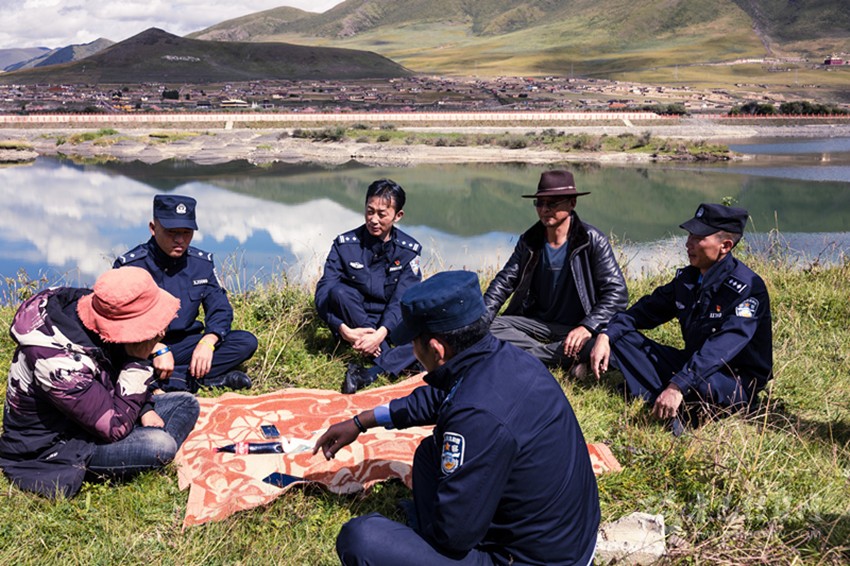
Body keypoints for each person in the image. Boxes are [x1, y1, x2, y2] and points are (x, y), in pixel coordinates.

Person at [314, 271, 600, 566]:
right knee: (430, 452)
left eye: (414, 343)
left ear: (436, 348)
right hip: (570, 539)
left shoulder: (476, 417)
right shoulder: (508, 359)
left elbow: (455, 535)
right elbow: (438, 397)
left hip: (530, 560)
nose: (413, 351)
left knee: (362, 539)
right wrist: (361, 421)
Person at [0, 267, 200, 498]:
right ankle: (153, 457)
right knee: (159, 445)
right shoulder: (56, 364)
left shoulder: (93, 311)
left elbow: (116, 355)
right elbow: (114, 427)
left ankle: (147, 454)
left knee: (186, 403)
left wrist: (145, 408)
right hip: (57, 444)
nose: (161, 331)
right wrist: (138, 361)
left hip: (97, 410)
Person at [590, 203, 773, 434]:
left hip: (732, 378)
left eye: (698, 238)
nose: (688, 243)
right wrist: (606, 335)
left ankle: (665, 397)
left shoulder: (745, 289)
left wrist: (679, 384)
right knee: (621, 338)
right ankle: (665, 396)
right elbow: (644, 312)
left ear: (725, 246)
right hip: (692, 364)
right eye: (689, 235)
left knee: (702, 387)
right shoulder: (688, 279)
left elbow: (720, 349)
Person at [483, 169, 628, 373]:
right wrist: (480, 320)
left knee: (605, 343)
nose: (544, 209)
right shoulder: (529, 240)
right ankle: (558, 358)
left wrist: (587, 326)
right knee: (489, 327)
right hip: (536, 323)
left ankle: (524, 355)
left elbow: (617, 293)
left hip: (577, 326)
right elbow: (504, 282)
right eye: (539, 203)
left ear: (572, 203)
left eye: (552, 203)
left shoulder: (592, 240)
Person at [115, 194, 257, 392]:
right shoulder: (130, 266)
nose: (180, 240)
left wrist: (208, 341)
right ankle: (200, 380)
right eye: (172, 232)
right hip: (142, 347)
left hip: (184, 344)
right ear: (153, 228)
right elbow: (115, 321)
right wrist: (155, 348)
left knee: (245, 342)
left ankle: (165, 381)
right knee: (116, 357)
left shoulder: (201, 264)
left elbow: (220, 309)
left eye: (186, 232)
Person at [315, 179, 422, 394]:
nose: (373, 219)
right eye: (370, 211)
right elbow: (323, 293)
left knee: (435, 330)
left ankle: (369, 372)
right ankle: (402, 361)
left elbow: (402, 299)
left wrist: (379, 335)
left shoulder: (408, 251)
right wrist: (343, 330)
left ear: (398, 215)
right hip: (354, 320)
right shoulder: (344, 244)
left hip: (391, 323)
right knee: (338, 292)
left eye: (382, 214)